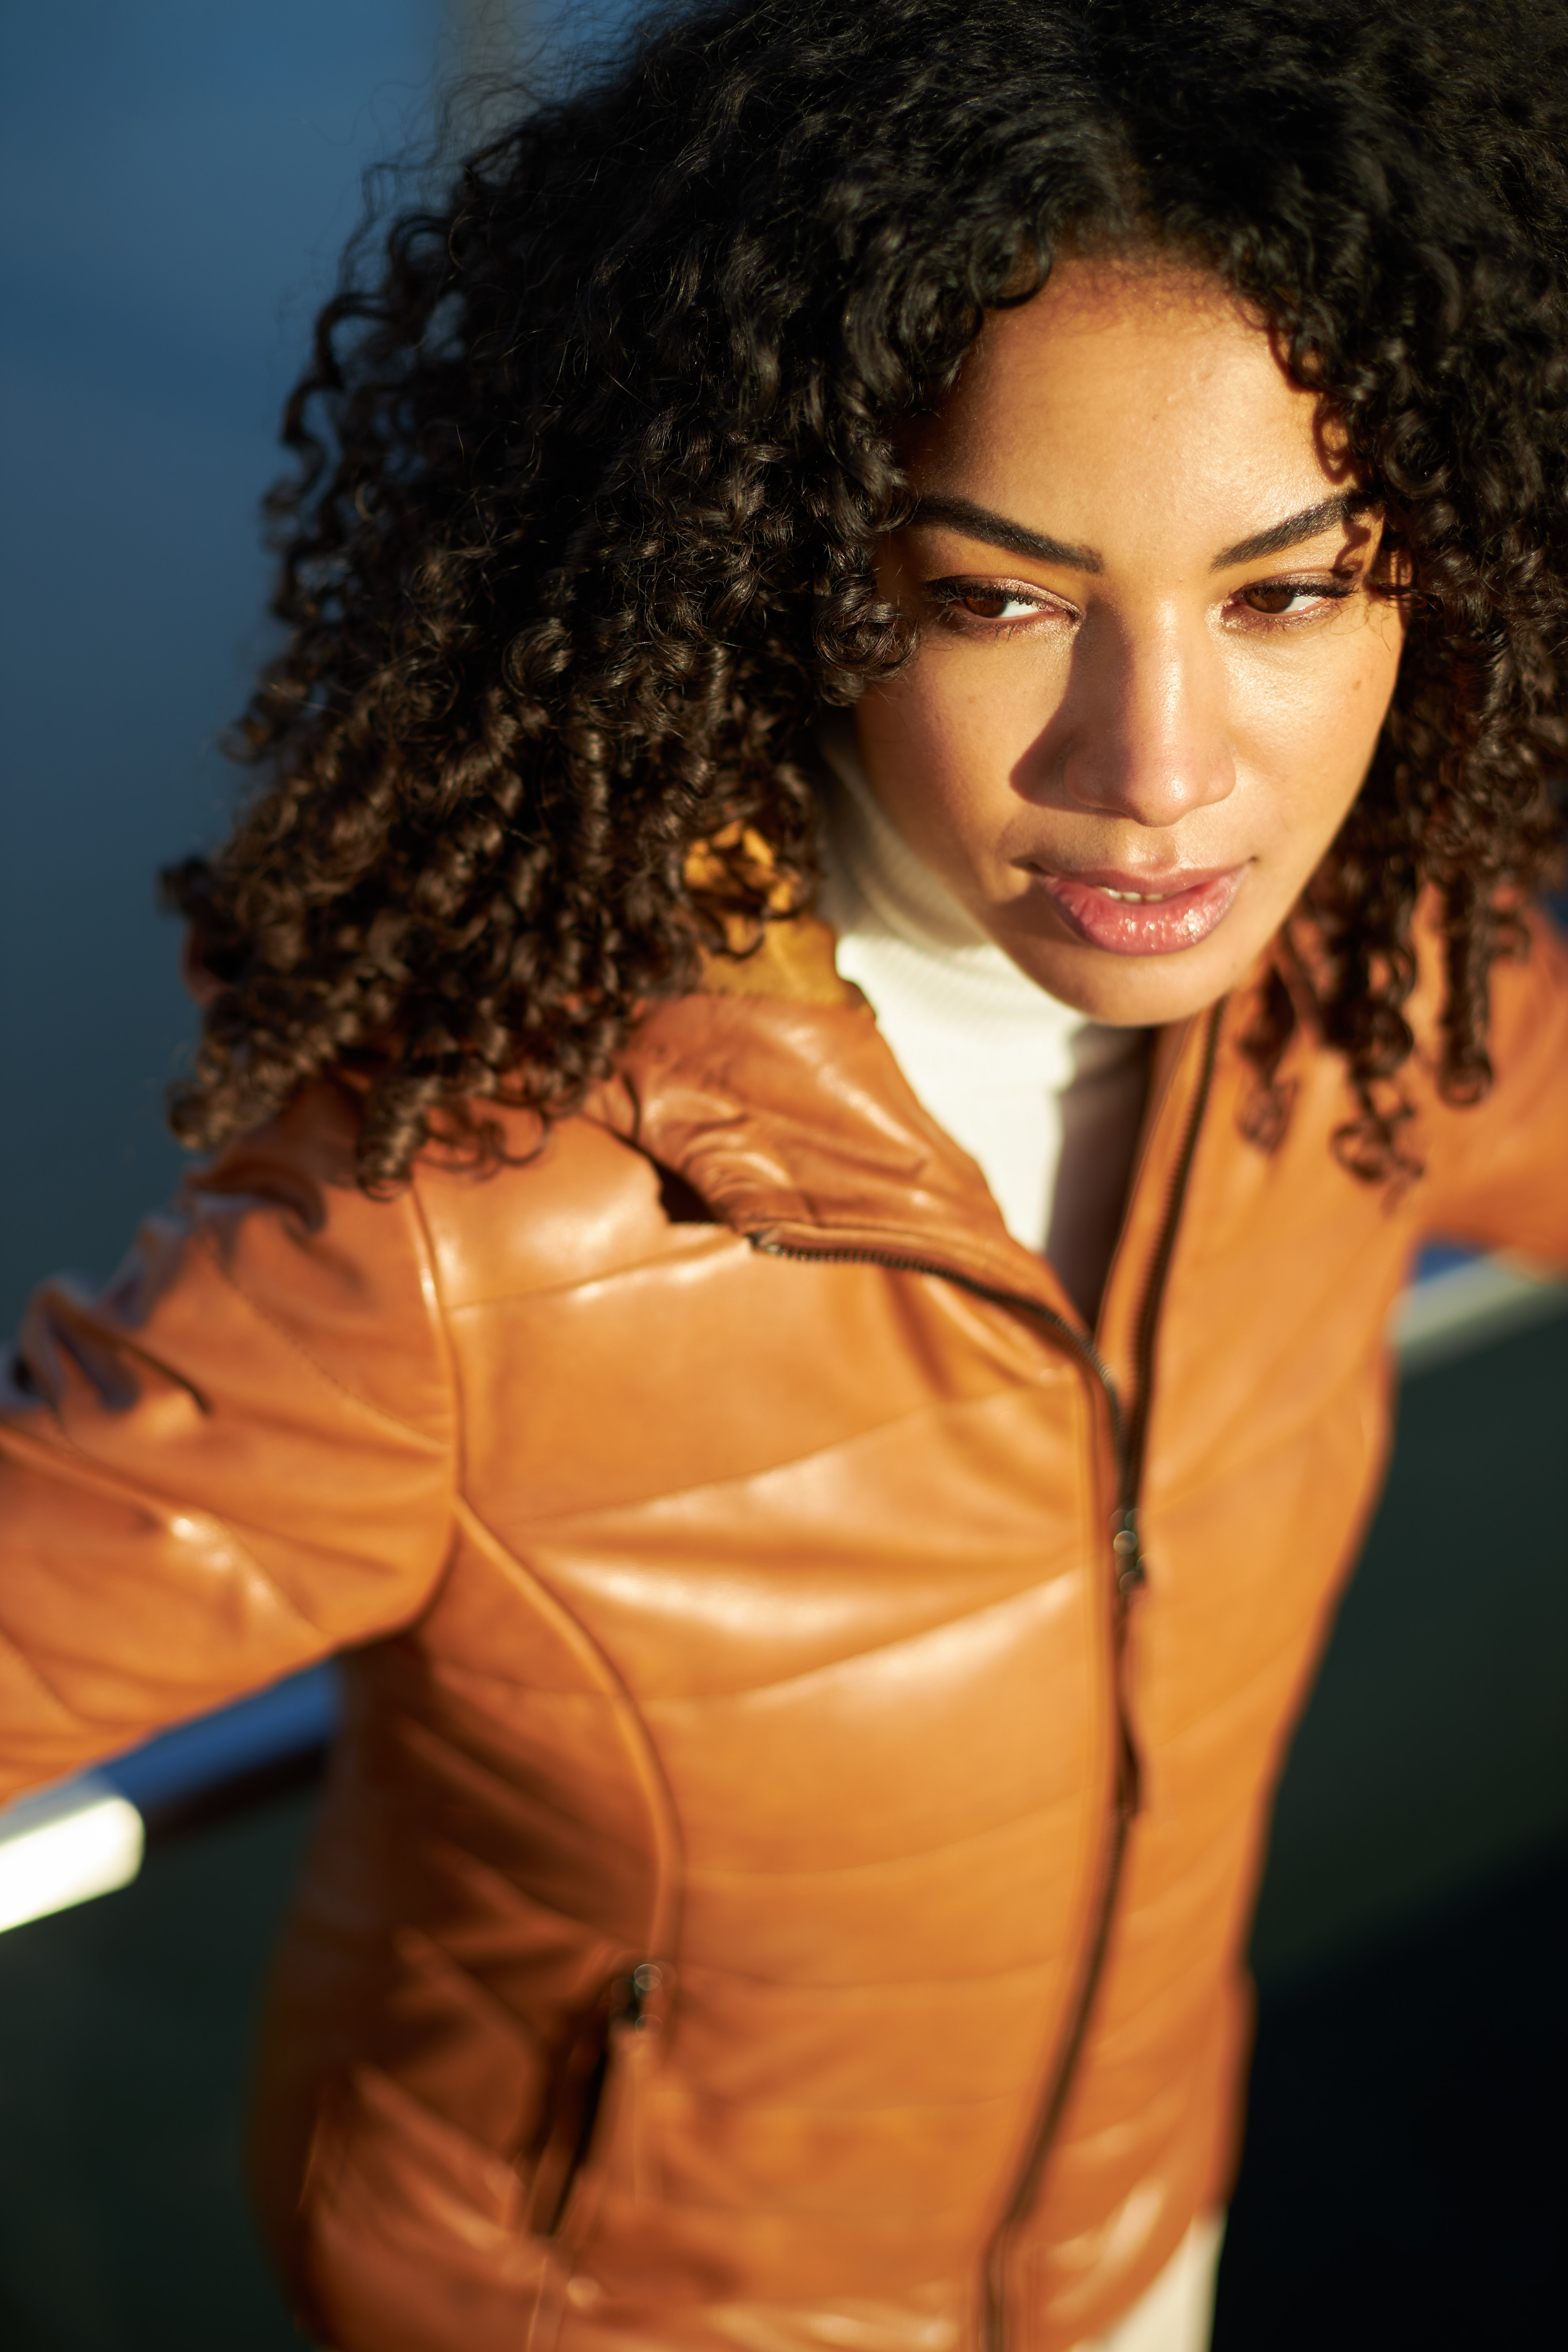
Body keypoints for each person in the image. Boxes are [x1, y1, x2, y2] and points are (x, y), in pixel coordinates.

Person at [4, 0, 1567, 2345]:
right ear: (778, 563)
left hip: (1139, 2246)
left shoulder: (1380, 1003)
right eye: (998, 599)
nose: (1161, 773)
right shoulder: (458, 1234)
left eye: (1287, 592)